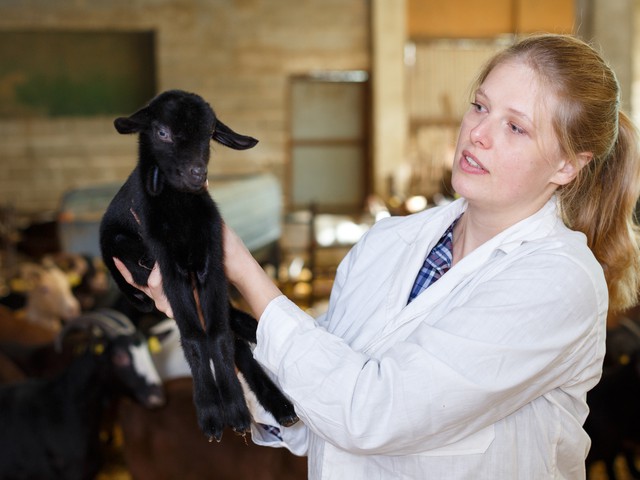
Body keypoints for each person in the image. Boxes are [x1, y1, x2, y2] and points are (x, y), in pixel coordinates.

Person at [116, 34, 640, 479]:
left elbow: (371, 413)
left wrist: (243, 270)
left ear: (568, 166)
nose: (477, 133)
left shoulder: (558, 283)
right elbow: (306, 406)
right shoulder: (389, 243)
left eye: (515, 126)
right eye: (480, 106)